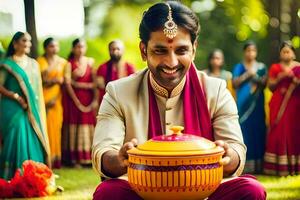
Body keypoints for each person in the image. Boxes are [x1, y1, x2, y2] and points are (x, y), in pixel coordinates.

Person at [92, 2, 266, 200]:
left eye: (181, 51)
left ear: (194, 48)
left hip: (204, 190)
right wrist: (121, 159)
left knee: (251, 190)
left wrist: (227, 156)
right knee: (108, 193)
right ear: (143, 50)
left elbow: (235, 150)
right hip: (144, 190)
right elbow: (103, 153)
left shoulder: (215, 90)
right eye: (160, 51)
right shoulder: (119, 92)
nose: (171, 62)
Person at [0, 32, 50, 179]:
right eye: (24, 40)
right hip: (12, 108)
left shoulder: (34, 64)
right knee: (17, 135)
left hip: (31, 109)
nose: (28, 43)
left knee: (32, 136)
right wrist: (15, 97)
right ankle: (12, 176)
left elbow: (36, 91)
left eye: (29, 41)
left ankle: (33, 175)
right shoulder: (7, 64)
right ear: (15, 44)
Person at [264, 41, 300, 176]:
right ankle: (278, 168)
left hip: (295, 106)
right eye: (283, 51)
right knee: (279, 131)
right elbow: (270, 86)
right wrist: (280, 78)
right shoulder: (275, 68)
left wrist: (296, 81)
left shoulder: (298, 68)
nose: (286, 54)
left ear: (293, 53)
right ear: (280, 54)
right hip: (278, 104)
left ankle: (294, 167)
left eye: (288, 51)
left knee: (294, 133)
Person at [62, 38, 98, 167]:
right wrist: (76, 101)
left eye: (82, 47)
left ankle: (88, 158)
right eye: (77, 47)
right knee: (74, 124)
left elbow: (95, 83)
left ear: (85, 48)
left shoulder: (90, 62)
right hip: (74, 100)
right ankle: (74, 159)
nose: (80, 49)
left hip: (87, 99)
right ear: (73, 49)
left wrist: (94, 99)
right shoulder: (69, 64)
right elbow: (67, 84)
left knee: (88, 125)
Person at [232, 42, 267, 174]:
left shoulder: (261, 67)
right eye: (248, 51)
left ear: (256, 52)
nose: (250, 53)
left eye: (253, 50)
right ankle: (245, 166)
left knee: (258, 131)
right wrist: (247, 75)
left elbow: (265, 84)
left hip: (257, 106)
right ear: (244, 52)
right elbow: (235, 83)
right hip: (243, 106)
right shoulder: (239, 67)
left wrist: (255, 76)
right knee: (244, 132)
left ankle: (259, 166)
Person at [37, 37, 67, 168]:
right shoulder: (40, 61)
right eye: (51, 46)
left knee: (56, 129)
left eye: (56, 46)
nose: (54, 48)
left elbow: (66, 82)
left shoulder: (63, 63)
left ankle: (55, 160)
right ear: (45, 48)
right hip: (43, 99)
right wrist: (55, 81)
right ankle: (44, 158)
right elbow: (41, 80)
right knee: (44, 128)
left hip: (57, 100)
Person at [96, 40, 135, 105]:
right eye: (112, 49)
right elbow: (100, 86)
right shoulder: (103, 67)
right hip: (108, 103)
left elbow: (134, 86)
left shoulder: (129, 67)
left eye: (118, 49)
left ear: (123, 51)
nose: (115, 51)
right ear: (109, 51)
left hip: (126, 104)